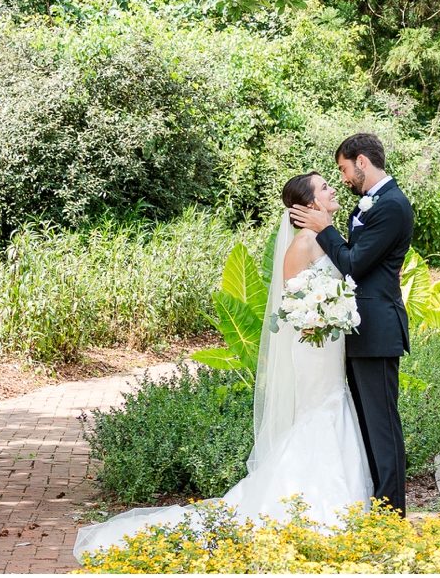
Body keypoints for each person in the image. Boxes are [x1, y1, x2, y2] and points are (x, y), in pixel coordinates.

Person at [72, 173, 372, 560]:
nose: (332, 190)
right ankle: (311, 505)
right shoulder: (302, 243)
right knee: (319, 413)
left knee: (333, 405)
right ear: (311, 204)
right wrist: (322, 315)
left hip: (330, 347)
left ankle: (337, 503)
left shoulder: (329, 238)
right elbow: (291, 302)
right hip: (313, 347)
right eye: (325, 187)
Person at [289, 132, 414, 516]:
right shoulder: (368, 203)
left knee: (382, 428)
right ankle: (378, 506)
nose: (342, 178)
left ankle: (392, 515)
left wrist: (324, 227)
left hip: (377, 331)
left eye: (343, 169)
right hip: (358, 332)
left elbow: (354, 263)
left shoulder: (391, 205)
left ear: (362, 162)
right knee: (367, 428)